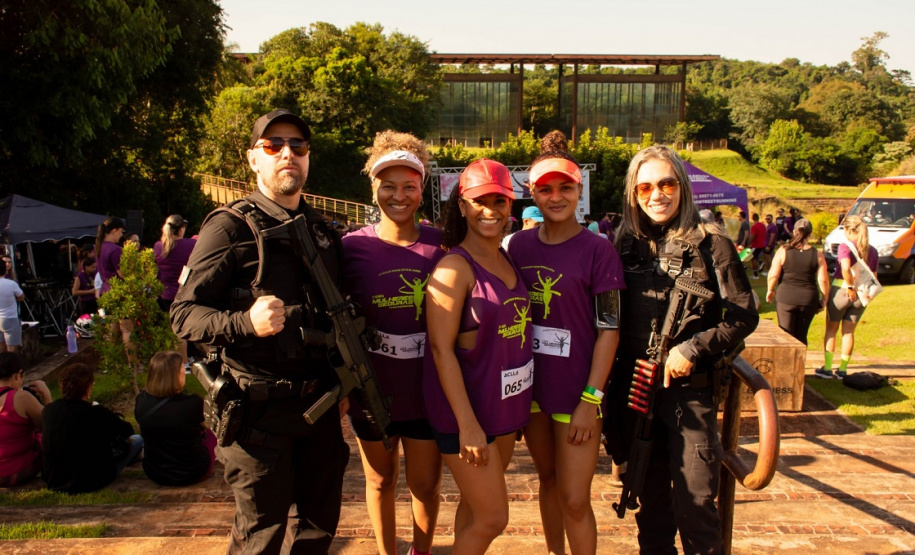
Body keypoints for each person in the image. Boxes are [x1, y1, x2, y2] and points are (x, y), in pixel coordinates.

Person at [170, 109, 350, 554]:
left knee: (318, 529)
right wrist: (243, 322)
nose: (288, 153)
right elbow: (183, 315)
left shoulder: (323, 230)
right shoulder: (229, 226)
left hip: (320, 410)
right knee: (260, 538)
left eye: (298, 145)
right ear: (253, 158)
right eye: (273, 145)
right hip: (258, 417)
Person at [605, 145, 758, 554]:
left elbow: (743, 316)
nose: (657, 195)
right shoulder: (623, 243)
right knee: (650, 512)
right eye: (645, 187)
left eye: (667, 183)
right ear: (633, 194)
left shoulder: (713, 245)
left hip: (689, 397)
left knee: (696, 509)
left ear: (682, 186)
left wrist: (693, 348)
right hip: (636, 394)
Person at [506, 131, 624, 555]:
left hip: (578, 394)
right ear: (532, 192)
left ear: (579, 190)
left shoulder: (598, 250)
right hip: (531, 392)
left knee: (575, 498)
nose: (555, 197)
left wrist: (591, 399)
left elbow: (609, 328)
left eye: (565, 188)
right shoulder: (517, 245)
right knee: (549, 481)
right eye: (546, 188)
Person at [341, 131, 444, 555]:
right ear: (373, 188)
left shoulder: (444, 246)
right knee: (380, 480)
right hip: (371, 390)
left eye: (409, 186)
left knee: (424, 485)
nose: (398, 196)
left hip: (427, 391)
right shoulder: (351, 247)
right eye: (389, 185)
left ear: (422, 189)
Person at [423, 158, 534, 554]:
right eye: (479, 201)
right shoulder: (454, 267)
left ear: (511, 206)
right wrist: (466, 424)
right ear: (463, 206)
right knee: (493, 518)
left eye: (500, 201)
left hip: (502, 409)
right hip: (465, 415)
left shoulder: (507, 258)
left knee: (474, 508)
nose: (490, 210)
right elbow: (440, 349)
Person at [42, 363, 143, 493]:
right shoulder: (96, 412)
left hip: (55, 478)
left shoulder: (49, 410)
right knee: (138, 439)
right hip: (90, 479)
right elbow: (127, 431)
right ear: (88, 388)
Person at [135, 351, 216, 486]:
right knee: (213, 434)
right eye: (182, 368)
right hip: (193, 471)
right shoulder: (193, 403)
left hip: (155, 472)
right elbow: (209, 426)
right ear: (176, 374)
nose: (185, 371)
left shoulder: (141, 401)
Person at [816, 215, 878, 379]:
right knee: (848, 333)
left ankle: (828, 368)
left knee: (831, 330)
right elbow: (874, 275)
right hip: (861, 294)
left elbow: (844, 267)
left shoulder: (845, 246)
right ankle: (843, 369)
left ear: (849, 230)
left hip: (842, 289)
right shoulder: (872, 250)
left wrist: (850, 286)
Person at [765, 219, 830, 345]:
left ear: (794, 232)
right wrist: (824, 298)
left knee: (785, 334)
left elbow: (773, 274)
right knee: (801, 335)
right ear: (810, 234)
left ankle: (787, 364)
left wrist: (770, 289)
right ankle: (800, 364)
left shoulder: (783, 251)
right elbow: (823, 280)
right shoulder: (817, 254)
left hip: (786, 297)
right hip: (808, 298)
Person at [0, 353, 52, 486]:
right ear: (18, 375)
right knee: (44, 437)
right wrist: (46, 396)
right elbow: (51, 425)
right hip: (12, 472)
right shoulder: (21, 397)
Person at [154, 215, 197, 366]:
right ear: (181, 229)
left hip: (165, 293)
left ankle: (178, 361)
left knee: (173, 329)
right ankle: (183, 363)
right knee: (183, 330)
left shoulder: (159, 246)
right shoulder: (190, 245)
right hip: (184, 292)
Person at [95, 217, 137, 369]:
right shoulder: (115, 250)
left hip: (106, 291)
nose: (121, 235)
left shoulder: (98, 247)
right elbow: (123, 273)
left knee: (110, 330)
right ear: (114, 231)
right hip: (119, 291)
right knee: (127, 329)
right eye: (120, 232)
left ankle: (109, 362)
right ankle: (132, 363)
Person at [0, 259, 24, 354]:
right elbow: (21, 297)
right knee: (12, 349)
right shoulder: (11, 284)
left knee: (1, 348)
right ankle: (12, 367)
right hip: (10, 317)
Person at [749, 213, 767, 279]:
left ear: (752, 218)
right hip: (763, 244)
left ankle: (755, 275)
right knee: (756, 257)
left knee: (753, 259)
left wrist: (748, 244)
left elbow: (752, 236)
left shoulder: (754, 227)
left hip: (756, 245)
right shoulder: (763, 225)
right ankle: (760, 262)